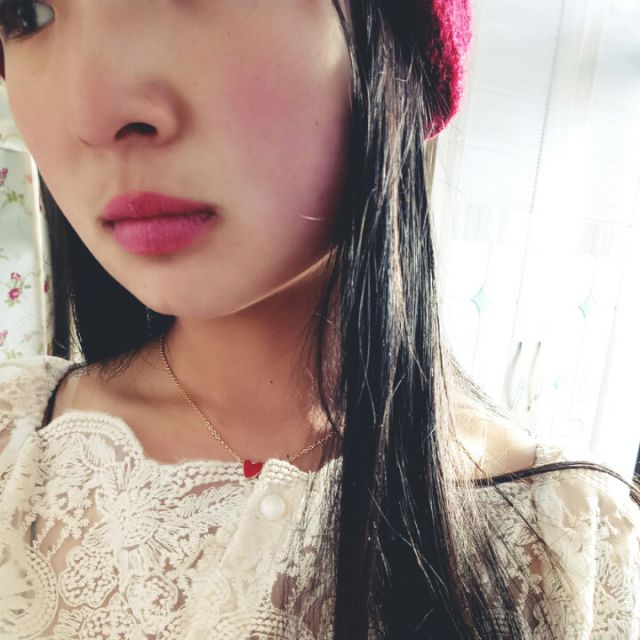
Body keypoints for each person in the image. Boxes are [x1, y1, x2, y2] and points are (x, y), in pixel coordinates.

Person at [0, 0, 638, 638]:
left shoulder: (573, 546)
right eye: (24, 14)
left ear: (397, 50)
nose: (93, 112)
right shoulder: (15, 443)